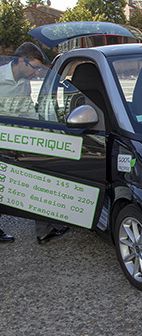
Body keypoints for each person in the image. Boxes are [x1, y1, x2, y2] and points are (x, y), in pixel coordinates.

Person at [0, 42, 69, 244]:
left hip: (20, 141)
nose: (37, 73)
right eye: (35, 67)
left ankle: (44, 230)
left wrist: (47, 131)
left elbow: (28, 111)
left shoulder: (24, 83)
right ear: (21, 61)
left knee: (37, 179)